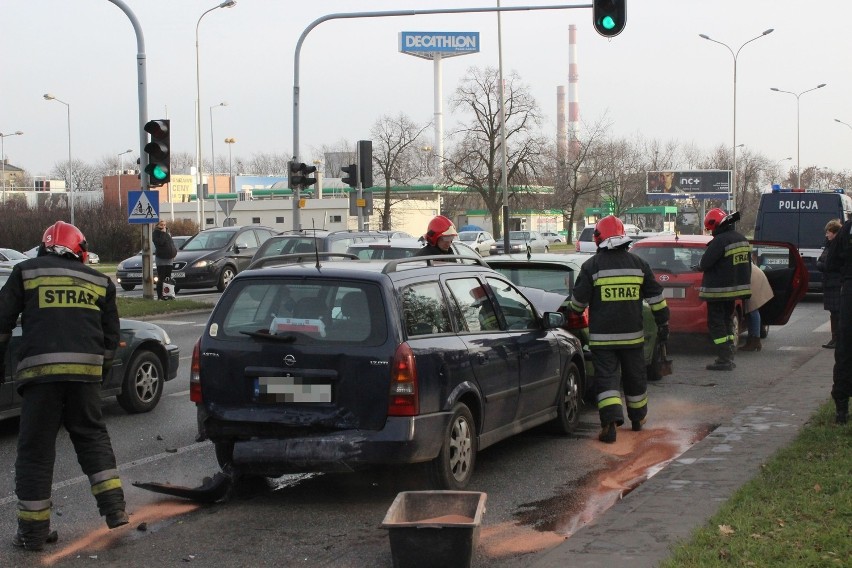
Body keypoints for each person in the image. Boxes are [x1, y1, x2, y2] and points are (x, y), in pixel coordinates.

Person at [0, 221, 129, 551]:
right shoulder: (99, 281)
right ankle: (115, 510)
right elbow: (111, 338)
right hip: (84, 377)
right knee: (92, 437)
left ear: (44, 247)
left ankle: (32, 534)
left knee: (36, 453)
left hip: (40, 379)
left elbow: (1, 322)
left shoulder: (25, 272)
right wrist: (98, 375)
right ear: (80, 250)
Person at [563, 215, 670, 444]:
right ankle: (638, 419)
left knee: (608, 380)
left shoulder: (591, 266)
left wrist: (571, 308)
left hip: (603, 340)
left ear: (598, 238)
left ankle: (610, 423)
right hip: (633, 337)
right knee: (635, 378)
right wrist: (663, 323)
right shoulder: (638, 264)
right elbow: (656, 299)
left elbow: (578, 305)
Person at [698, 208, 752, 371]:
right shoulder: (741, 239)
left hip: (718, 291)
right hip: (735, 291)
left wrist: (699, 265)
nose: (711, 232)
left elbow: (705, 263)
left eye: (711, 228)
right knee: (727, 320)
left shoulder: (720, 241)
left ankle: (723, 358)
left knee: (716, 323)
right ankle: (728, 353)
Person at [826, 217, 851, 424]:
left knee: (845, 349)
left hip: (850, 291)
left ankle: (841, 410)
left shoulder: (846, 231)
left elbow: (831, 262)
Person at [817, 219, 842, 349]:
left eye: (828, 232)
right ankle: (835, 338)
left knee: (837, 312)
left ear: (835, 233)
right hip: (831, 282)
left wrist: (821, 264)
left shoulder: (836, 246)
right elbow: (822, 260)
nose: (826, 235)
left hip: (835, 282)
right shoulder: (830, 245)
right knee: (834, 312)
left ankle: (837, 339)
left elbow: (826, 263)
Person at [739, 258, 774, 352]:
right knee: (751, 310)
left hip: (751, 277)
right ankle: (752, 340)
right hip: (750, 274)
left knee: (752, 308)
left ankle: (755, 341)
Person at [153, 219, 178, 300]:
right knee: (161, 278)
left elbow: (171, 244)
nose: (164, 226)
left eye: (164, 225)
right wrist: (163, 233)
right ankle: (160, 296)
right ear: (157, 226)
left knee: (168, 278)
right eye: (161, 225)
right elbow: (160, 242)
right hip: (161, 258)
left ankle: (169, 294)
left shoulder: (168, 233)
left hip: (169, 258)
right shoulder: (156, 234)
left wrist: (174, 253)